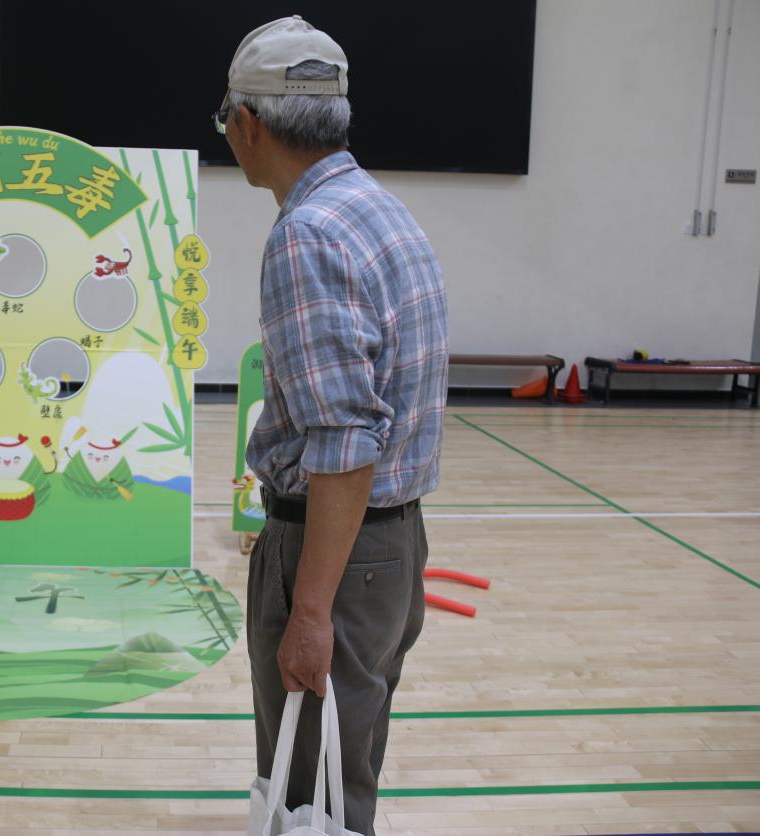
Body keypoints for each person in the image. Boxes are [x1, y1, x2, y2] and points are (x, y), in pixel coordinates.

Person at [217, 16, 449, 834]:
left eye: (225, 119)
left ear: (249, 123)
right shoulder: (381, 211)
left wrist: (310, 612)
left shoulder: (307, 235)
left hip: (332, 551)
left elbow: (345, 443)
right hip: (391, 544)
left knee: (309, 792)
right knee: (343, 776)